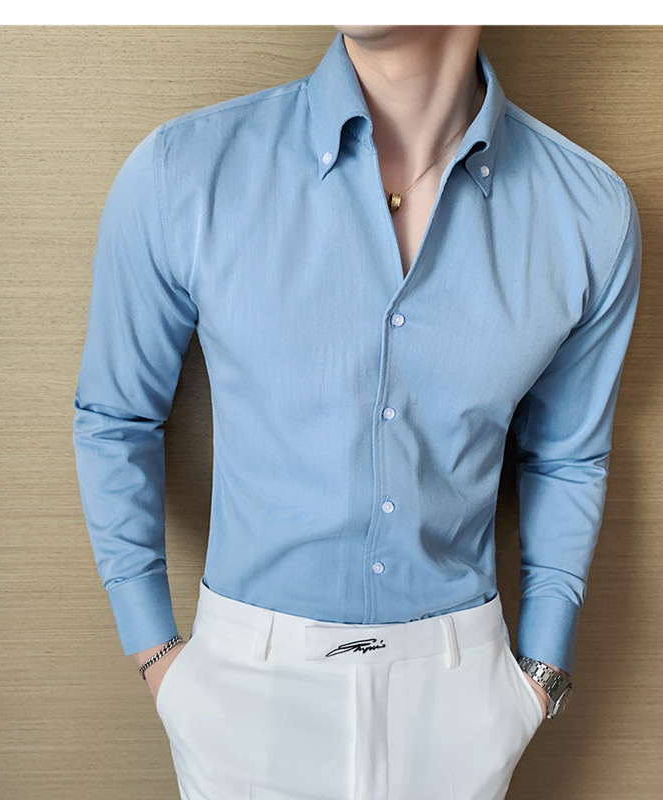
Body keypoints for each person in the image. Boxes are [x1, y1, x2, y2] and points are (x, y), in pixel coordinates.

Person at [72, 25, 641, 800]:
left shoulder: (589, 215)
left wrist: (540, 674)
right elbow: (115, 418)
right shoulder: (184, 173)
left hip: (461, 701)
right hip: (243, 699)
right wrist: (157, 658)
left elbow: (569, 457)